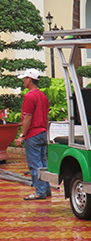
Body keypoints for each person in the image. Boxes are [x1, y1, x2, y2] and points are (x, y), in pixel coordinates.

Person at [14, 69, 51, 200]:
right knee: (43, 163)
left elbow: (28, 117)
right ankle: (46, 190)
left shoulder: (29, 96)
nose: (23, 81)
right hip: (42, 132)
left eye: (24, 79)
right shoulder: (43, 96)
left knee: (34, 164)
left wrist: (21, 136)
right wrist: (46, 131)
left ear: (29, 79)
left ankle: (40, 192)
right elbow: (46, 117)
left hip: (33, 135)